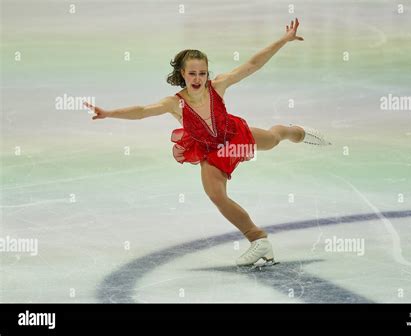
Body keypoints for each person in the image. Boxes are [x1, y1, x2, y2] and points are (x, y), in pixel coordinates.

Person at [84, 18, 331, 267]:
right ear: (182, 73)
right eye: (192, 73)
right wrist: (109, 113)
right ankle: (258, 239)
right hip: (209, 150)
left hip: (235, 136)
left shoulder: (218, 86)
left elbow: (253, 64)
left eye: (202, 73)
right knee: (216, 194)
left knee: (274, 139)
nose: (198, 77)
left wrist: (283, 39)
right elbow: (142, 111)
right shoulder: (175, 103)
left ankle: (295, 131)